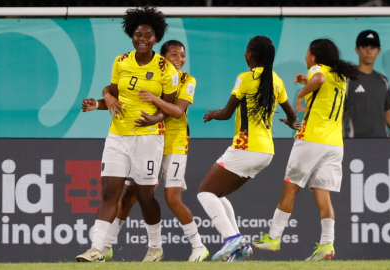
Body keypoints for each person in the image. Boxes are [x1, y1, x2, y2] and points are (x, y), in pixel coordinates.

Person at [85, 40, 209, 262]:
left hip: (174, 143)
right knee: (130, 195)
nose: (179, 60)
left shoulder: (187, 80)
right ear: (162, 58)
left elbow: (178, 111)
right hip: (146, 141)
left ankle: (198, 246)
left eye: (182, 55)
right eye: (174, 55)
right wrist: (104, 95)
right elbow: (123, 94)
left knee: (171, 198)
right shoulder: (151, 73)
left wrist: (154, 100)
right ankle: (105, 246)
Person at [75, 6, 178, 262]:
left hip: (149, 139)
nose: (142, 39)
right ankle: (97, 249)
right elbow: (112, 92)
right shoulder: (121, 61)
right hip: (118, 136)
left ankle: (155, 247)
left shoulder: (166, 69)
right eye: (137, 34)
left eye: (148, 35)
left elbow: (170, 107)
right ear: (131, 35)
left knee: (144, 197)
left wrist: (154, 118)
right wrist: (101, 101)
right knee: (110, 192)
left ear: (157, 38)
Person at [251, 39, 359, 261]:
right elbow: (322, 85)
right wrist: (305, 80)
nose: (305, 57)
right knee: (323, 195)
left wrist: (299, 95)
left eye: (307, 53)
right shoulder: (340, 76)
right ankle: (327, 244)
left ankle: (273, 237)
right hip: (335, 144)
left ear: (315, 57)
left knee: (290, 188)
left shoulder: (318, 70)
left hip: (311, 139)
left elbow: (318, 78)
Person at [197, 35, 299, 262]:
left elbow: (225, 114)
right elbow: (292, 114)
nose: (244, 53)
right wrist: (291, 123)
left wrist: (212, 114)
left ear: (250, 54)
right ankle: (238, 245)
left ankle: (232, 238)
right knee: (219, 194)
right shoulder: (277, 80)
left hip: (246, 147)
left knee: (204, 192)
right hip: (266, 152)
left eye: (246, 50)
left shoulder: (245, 79)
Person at [344, 29, 390, 138]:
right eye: (364, 47)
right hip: (356, 144)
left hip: (382, 144)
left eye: (373, 47)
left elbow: (388, 115)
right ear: (357, 50)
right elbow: (338, 116)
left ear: (378, 51)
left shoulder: (383, 81)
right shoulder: (347, 80)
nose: (369, 51)